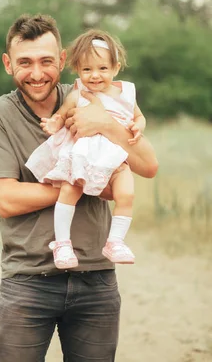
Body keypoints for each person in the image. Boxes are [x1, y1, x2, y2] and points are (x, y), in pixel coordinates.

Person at [0, 13, 158, 361]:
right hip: (28, 280)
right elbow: (5, 199)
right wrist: (83, 182)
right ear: (7, 64)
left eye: (46, 61)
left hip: (96, 278)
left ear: (62, 60)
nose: (36, 73)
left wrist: (107, 124)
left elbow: (148, 166)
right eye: (24, 62)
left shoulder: (96, 95)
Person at [25, 29, 144, 270]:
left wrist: (138, 126)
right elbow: (61, 115)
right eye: (87, 69)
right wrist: (53, 123)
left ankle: (115, 241)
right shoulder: (78, 93)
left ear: (116, 68)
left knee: (127, 194)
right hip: (84, 155)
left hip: (116, 158)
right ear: (78, 70)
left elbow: (139, 116)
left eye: (102, 69)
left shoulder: (126, 93)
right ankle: (62, 243)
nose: (95, 76)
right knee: (69, 191)